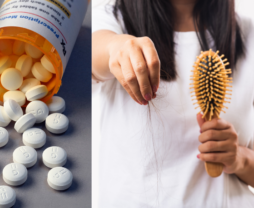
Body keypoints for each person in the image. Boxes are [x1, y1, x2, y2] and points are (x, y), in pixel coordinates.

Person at [92, 0, 254, 207]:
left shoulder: (248, 34)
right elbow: (99, 52)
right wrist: (117, 48)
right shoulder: (112, 18)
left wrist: (241, 159)